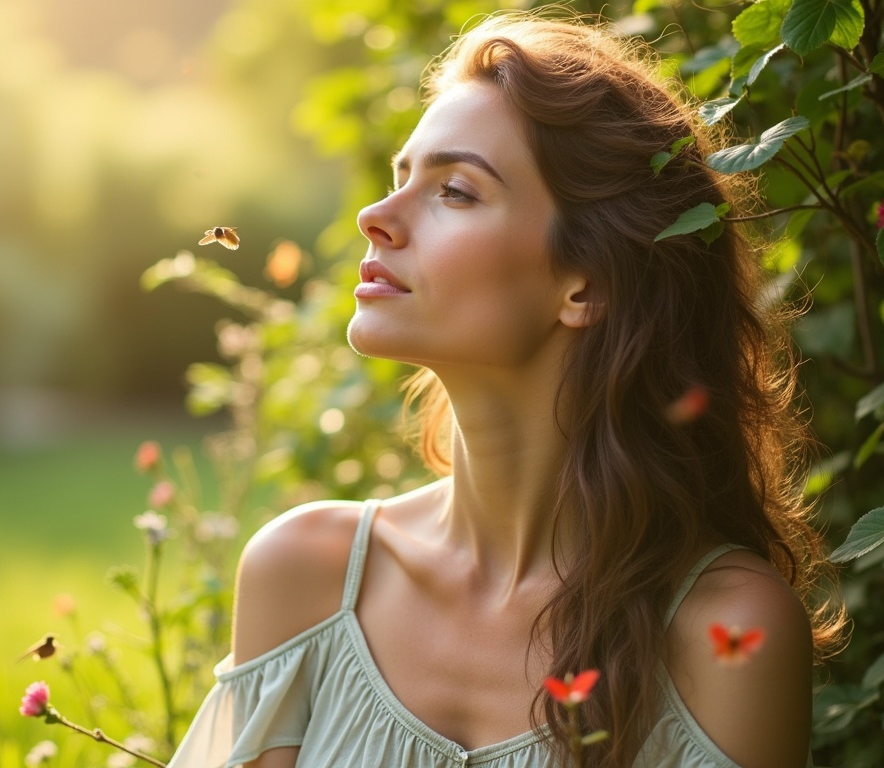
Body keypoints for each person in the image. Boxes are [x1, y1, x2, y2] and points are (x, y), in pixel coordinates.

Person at [169, 11, 842, 768]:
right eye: (401, 178)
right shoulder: (305, 577)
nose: (374, 218)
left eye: (454, 191)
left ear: (585, 284)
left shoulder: (726, 633)